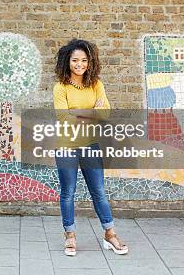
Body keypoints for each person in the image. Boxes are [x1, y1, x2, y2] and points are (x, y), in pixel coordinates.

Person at [53, 39, 128, 256]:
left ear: (90, 61)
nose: (80, 64)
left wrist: (77, 112)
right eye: (75, 60)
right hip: (66, 145)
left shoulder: (96, 85)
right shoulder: (61, 87)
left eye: (84, 60)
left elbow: (105, 114)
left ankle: (110, 234)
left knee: (99, 192)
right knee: (68, 193)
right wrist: (90, 112)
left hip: (90, 145)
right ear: (67, 61)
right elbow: (63, 118)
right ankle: (70, 237)